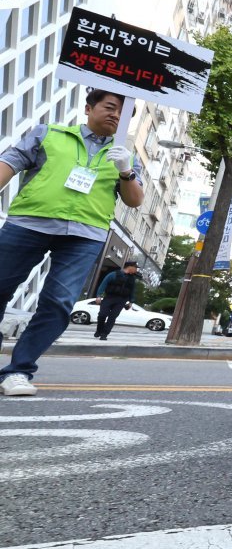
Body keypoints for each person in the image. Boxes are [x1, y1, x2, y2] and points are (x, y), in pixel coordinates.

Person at [0, 89, 143, 397]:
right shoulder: (49, 133)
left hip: (85, 235)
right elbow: (9, 163)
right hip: (28, 223)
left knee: (59, 303)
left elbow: (134, 201)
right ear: (89, 107)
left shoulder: (124, 156)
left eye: (124, 114)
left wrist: (126, 171)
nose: (116, 115)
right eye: (110, 107)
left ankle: (19, 370)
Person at [93, 261, 141, 341]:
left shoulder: (132, 279)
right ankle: (99, 330)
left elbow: (132, 291)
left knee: (112, 317)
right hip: (109, 297)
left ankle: (104, 334)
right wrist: (98, 296)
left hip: (121, 300)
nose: (136, 270)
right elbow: (103, 285)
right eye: (135, 268)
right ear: (130, 267)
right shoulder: (113, 274)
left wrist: (131, 302)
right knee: (102, 315)